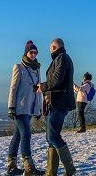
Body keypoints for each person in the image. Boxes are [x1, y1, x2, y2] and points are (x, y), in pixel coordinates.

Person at [6, 40, 43, 176]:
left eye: (35, 52)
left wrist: (39, 109)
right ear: (26, 53)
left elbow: (38, 89)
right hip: (20, 107)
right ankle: (29, 167)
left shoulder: (37, 68)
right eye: (31, 52)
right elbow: (13, 88)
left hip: (30, 108)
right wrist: (11, 107)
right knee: (26, 134)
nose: (33, 54)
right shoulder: (18, 67)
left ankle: (11, 166)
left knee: (17, 136)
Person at [41, 38, 76, 176]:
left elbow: (56, 79)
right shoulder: (60, 58)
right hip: (55, 102)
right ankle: (51, 172)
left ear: (54, 47)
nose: (49, 50)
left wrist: (42, 86)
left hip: (59, 103)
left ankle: (70, 170)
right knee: (50, 137)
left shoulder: (62, 58)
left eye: (50, 48)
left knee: (53, 136)